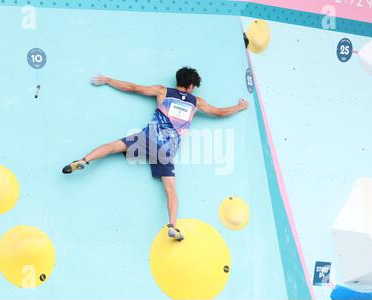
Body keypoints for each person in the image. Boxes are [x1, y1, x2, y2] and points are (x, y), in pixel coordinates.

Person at [62, 67, 249, 241]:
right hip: (166, 151)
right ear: (191, 86)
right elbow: (220, 113)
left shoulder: (162, 91)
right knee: (170, 191)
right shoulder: (196, 102)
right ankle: (173, 226)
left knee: (113, 147)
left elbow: (133, 88)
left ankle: (84, 160)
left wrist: (108, 80)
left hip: (147, 138)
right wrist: (240, 106)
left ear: (178, 80)